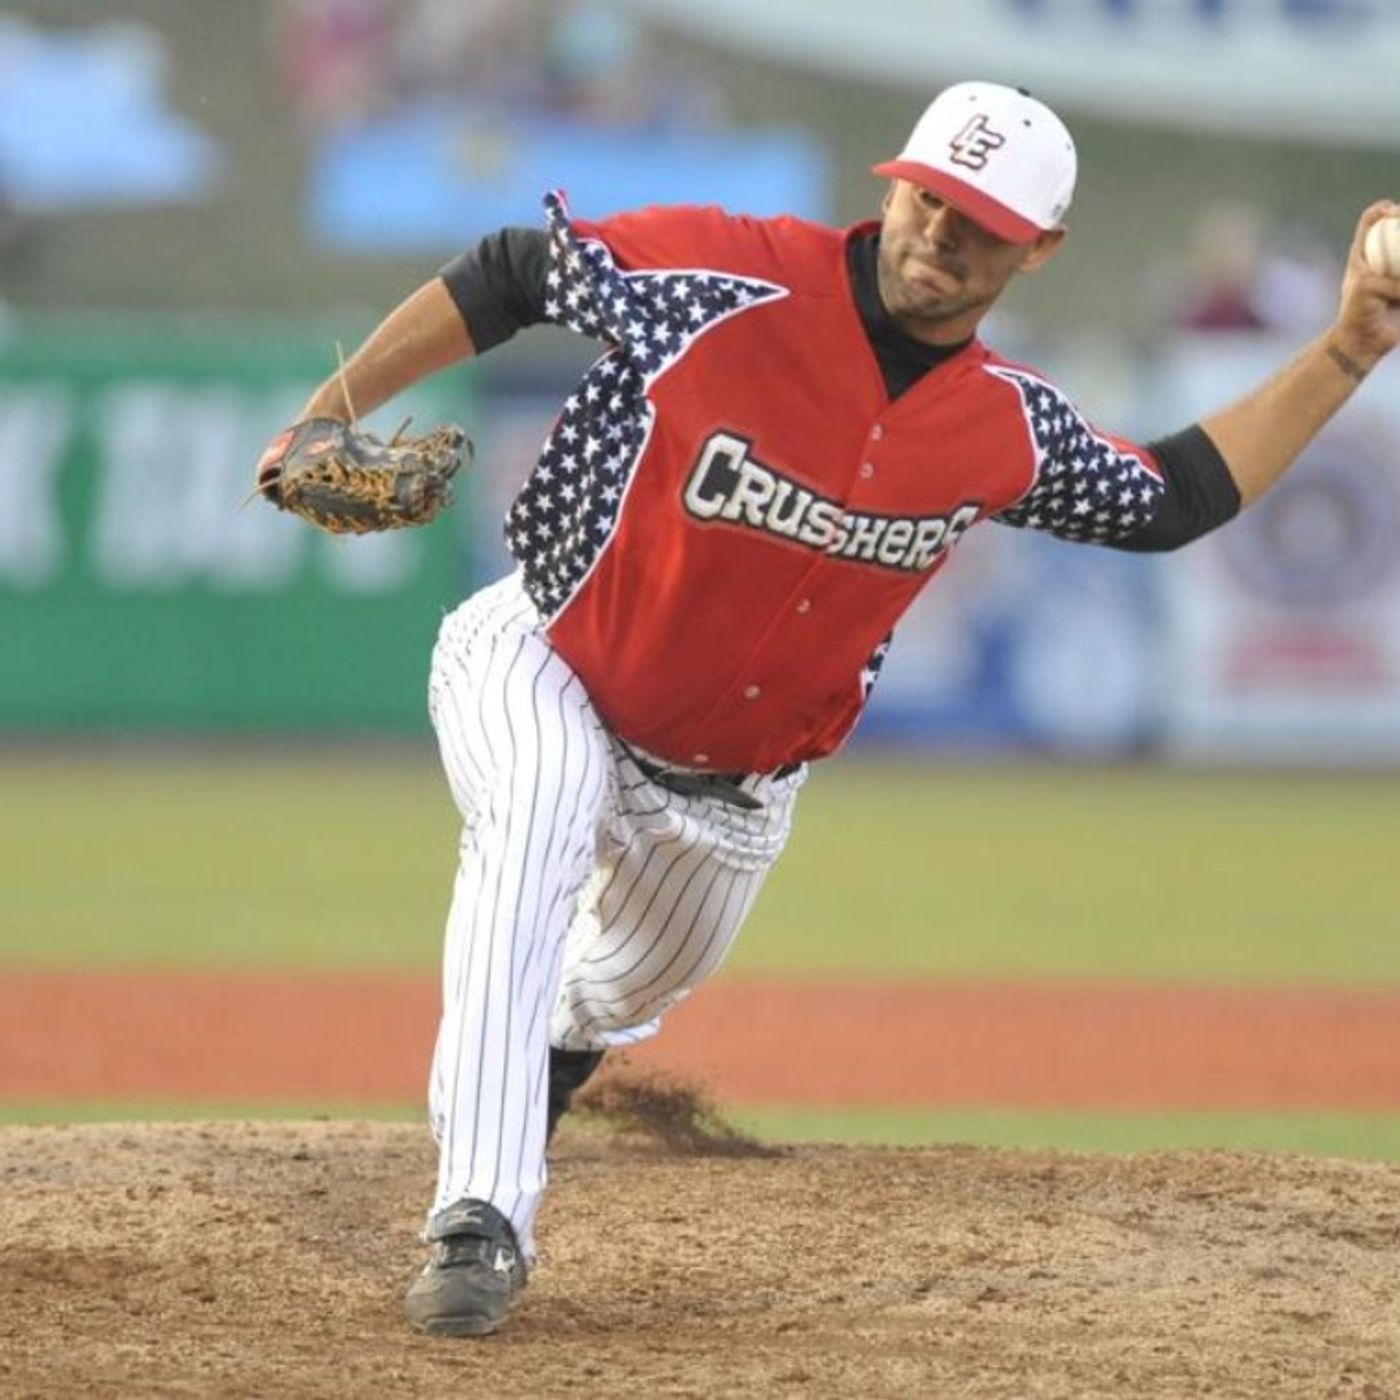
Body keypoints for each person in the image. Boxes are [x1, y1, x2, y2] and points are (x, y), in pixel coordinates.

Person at [255, 81, 1400, 1337]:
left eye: (980, 222)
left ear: (1038, 248)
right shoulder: (727, 276)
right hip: (545, 658)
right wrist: (334, 408)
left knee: (626, 981)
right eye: (929, 199)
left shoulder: (1001, 426)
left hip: (732, 787)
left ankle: (552, 1055)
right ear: (890, 184)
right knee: (533, 816)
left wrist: (1345, 346)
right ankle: (479, 1214)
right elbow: (511, 273)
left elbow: (1172, 496)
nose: (940, 235)